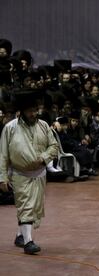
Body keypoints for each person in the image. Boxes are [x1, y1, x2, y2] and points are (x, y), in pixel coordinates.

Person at [0, 89, 58, 255]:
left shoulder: (44, 125)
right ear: (22, 111)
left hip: (40, 174)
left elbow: (54, 146)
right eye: (31, 110)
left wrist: (44, 157)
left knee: (34, 208)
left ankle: (20, 235)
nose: (34, 113)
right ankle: (28, 242)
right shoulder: (9, 128)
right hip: (19, 174)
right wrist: (2, 178)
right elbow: (3, 154)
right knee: (26, 205)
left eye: (36, 109)